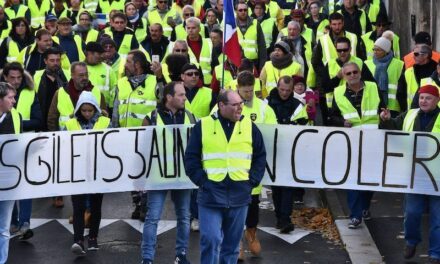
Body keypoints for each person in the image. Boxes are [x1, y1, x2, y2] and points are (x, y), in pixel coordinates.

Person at [184, 89, 266, 264]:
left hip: (240, 195)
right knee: (211, 240)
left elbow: (260, 156)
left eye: (241, 104)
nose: (240, 108)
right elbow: (191, 158)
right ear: (221, 105)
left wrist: (251, 181)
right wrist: (203, 182)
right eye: (235, 104)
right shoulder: (203, 125)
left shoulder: (250, 127)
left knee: (232, 246)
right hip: (210, 194)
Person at [379, 85, 440, 264]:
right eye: (421, 98)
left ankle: (435, 253)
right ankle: (411, 241)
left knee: (438, 219)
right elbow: (393, 131)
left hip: (437, 177)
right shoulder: (410, 115)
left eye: (428, 98)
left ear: (437, 100)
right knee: (412, 213)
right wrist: (386, 120)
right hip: (415, 176)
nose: (423, 101)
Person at [141, 81, 196, 264]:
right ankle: (147, 258)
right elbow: (142, 148)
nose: (184, 98)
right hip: (159, 177)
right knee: (152, 218)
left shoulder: (190, 116)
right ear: (169, 97)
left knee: (184, 217)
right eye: (180, 95)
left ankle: (181, 255)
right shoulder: (151, 118)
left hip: (183, 177)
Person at [330, 62, 385, 229]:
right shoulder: (338, 92)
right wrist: (342, 122)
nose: (352, 75)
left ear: (360, 73)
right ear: (344, 76)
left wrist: (384, 114)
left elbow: (383, 108)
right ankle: (355, 215)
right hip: (351, 142)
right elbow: (332, 117)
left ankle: (364, 207)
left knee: (369, 179)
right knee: (352, 179)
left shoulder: (373, 87)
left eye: (355, 72)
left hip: (372, 141)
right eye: (348, 73)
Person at [232, 71, 277, 260]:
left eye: (251, 91)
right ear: (237, 89)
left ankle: (251, 234)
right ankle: (237, 243)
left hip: (253, 167)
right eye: (245, 91)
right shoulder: (227, 106)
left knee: (252, 204)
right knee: (234, 206)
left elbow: (273, 131)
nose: (248, 95)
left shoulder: (264, 108)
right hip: (232, 166)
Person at [66, 91, 111, 256]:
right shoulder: (70, 124)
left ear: (95, 109)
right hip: (77, 171)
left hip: (99, 171)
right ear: (79, 109)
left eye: (90, 111)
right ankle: (78, 240)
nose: (86, 114)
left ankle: (93, 237)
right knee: (78, 207)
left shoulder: (106, 122)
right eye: (83, 111)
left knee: (95, 205)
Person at [0, 62, 41, 241]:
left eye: (19, 78)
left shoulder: (30, 92)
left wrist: (23, 124)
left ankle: (24, 223)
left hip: (22, 147)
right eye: (12, 78)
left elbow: (38, 119)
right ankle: (13, 221)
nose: (16, 81)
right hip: (6, 154)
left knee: (24, 187)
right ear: (5, 78)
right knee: (9, 190)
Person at [266, 75, 308, 233]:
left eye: (288, 90)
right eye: (282, 90)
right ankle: (280, 216)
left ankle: (285, 218)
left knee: (288, 186)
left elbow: (303, 127)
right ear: (277, 87)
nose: (284, 93)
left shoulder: (298, 105)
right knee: (276, 187)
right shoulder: (267, 103)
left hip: (289, 150)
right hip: (272, 150)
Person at [47, 61, 106, 132]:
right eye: (81, 75)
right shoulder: (60, 93)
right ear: (72, 75)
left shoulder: (97, 92)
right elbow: (52, 120)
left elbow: (104, 117)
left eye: (86, 74)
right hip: (66, 138)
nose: (84, 78)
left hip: (93, 138)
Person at [0, 82, 21, 264]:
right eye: (10, 97)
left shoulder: (15, 117)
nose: (14, 100)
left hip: (7, 180)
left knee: (4, 228)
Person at [364, 36, 405, 117]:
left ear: (386, 51)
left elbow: (402, 88)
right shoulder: (366, 64)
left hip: (393, 107)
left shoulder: (399, 64)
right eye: (374, 49)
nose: (375, 52)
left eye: (378, 50)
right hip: (372, 105)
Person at [84, 42, 117, 113]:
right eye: (99, 54)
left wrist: (111, 108)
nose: (101, 56)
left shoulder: (108, 69)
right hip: (84, 110)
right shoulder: (80, 68)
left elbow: (114, 90)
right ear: (90, 53)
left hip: (104, 109)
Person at [403, 44, 437, 110]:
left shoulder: (437, 72)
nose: (413, 56)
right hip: (413, 112)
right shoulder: (409, 72)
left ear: (426, 55)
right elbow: (401, 93)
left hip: (435, 113)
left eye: (416, 54)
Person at [235, 1, 267, 72]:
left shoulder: (256, 23)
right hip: (237, 63)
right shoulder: (232, 25)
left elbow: (262, 47)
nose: (243, 12)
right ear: (236, 11)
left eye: (245, 10)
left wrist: (262, 66)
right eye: (240, 10)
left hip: (254, 63)